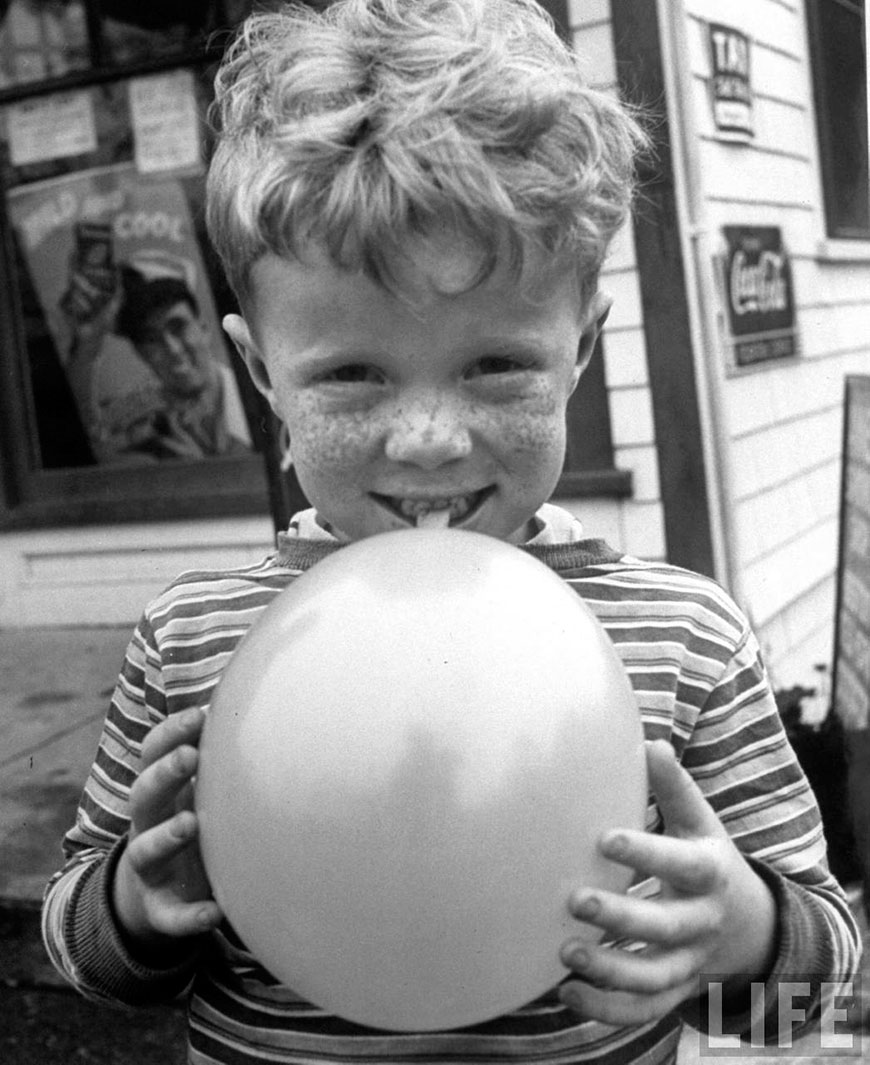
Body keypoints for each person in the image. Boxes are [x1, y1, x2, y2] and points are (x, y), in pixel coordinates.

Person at [42, 2, 861, 1064]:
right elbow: (82, 948)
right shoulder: (196, 640)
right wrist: (133, 905)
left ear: (580, 352)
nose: (428, 438)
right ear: (260, 375)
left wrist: (742, 933)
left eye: (496, 366)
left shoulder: (685, 638)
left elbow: (811, 990)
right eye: (350, 375)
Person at [62, 253, 251, 461]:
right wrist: (87, 345)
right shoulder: (140, 419)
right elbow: (94, 435)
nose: (173, 349)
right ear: (142, 354)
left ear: (203, 328)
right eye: (151, 339)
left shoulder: (257, 391)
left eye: (177, 327)